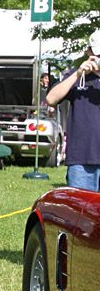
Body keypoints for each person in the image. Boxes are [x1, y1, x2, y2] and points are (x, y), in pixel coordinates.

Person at [46, 30, 100, 191]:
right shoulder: (77, 76)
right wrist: (77, 74)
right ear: (89, 52)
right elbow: (51, 99)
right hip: (82, 157)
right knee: (81, 211)